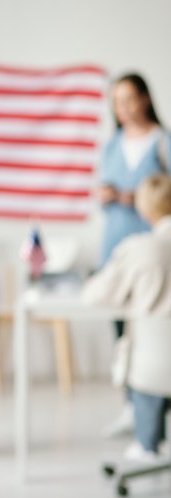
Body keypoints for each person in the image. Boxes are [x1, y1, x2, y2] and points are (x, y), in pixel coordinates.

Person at [96, 73, 170, 437]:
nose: (121, 108)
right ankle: (133, 406)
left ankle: (156, 413)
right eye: (115, 101)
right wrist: (108, 196)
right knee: (122, 331)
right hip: (116, 248)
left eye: (127, 99)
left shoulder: (162, 143)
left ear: (144, 99)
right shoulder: (112, 145)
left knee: (156, 330)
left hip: (156, 254)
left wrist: (135, 199)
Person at [84, 173, 171, 461]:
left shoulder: (139, 248)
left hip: (152, 368)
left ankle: (147, 446)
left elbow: (97, 295)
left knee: (151, 367)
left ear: (145, 210)